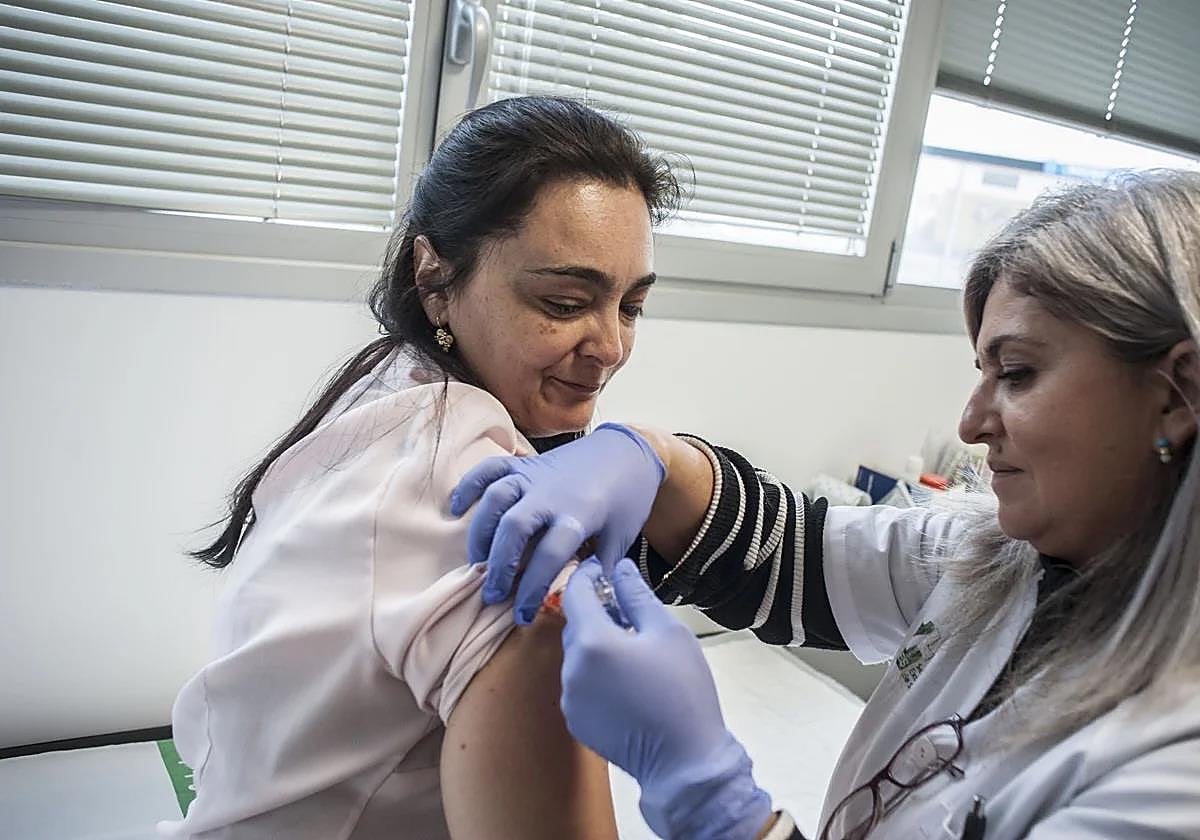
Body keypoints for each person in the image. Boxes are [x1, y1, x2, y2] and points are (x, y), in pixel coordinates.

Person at [453, 170, 1200, 839]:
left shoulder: (1173, 778)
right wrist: (649, 457)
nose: (971, 423)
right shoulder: (1004, 556)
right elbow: (791, 556)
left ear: (1177, 394)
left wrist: (712, 800)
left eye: (1019, 372)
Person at [158, 96, 680, 840]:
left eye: (630, 306)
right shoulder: (471, 487)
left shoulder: (386, 382)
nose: (610, 347)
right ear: (434, 276)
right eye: (566, 301)